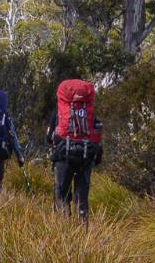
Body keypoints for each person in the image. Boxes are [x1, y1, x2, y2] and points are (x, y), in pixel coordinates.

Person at [46, 77, 102, 220]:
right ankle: (83, 229)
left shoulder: (58, 113)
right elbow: (97, 136)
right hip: (85, 155)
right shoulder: (90, 112)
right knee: (81, 198)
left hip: (63, 155)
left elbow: (49, 137)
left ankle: (63, 227)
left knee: (62, 194)